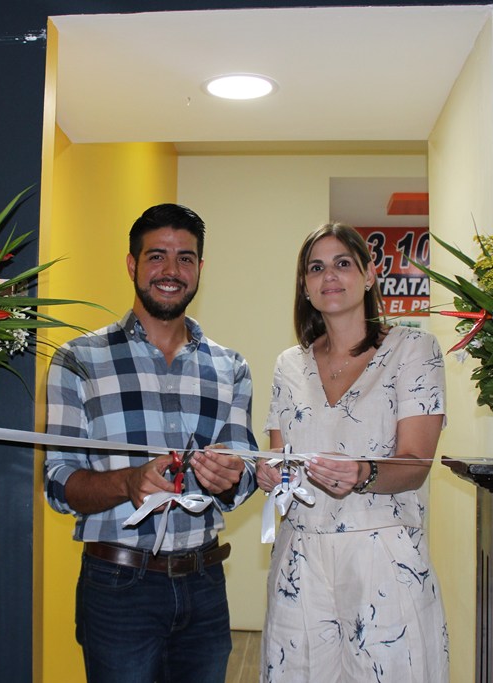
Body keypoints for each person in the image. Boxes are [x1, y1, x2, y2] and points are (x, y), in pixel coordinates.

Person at [44, 203, 259, 683]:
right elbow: (58, 484)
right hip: (118, 587)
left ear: (200, 268)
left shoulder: (231, 367)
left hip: (206, 584)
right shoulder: (78, 359)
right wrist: (128, 483)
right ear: (132, 264)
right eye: (157, 256)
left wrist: (230, 477)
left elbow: (243, 474)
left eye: (185, 258)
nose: (171, 270)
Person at [256, 223, 449, 682]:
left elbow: (416, 463)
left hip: (383, 553)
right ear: (304, 286)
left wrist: (364, 472)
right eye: (316, 268)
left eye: (342, 263)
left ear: (369, 274)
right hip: (300, 556)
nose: (329, 276)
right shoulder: (289, 364)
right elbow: (280, 458)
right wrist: (271, 474)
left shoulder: (414, 349)